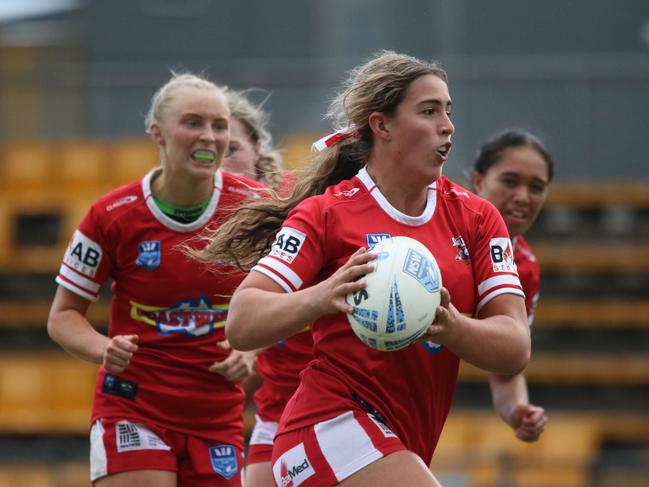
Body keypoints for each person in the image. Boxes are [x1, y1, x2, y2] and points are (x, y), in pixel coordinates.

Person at [191, 50, 531, 487]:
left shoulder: (477, 218)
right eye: (428, 112)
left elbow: (515, 346)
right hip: (324, 425)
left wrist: (448, 325)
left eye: (448, 111)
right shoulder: (327, 214)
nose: (447, 126)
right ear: (382, 125)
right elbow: (242, 321)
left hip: (403, 436)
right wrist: (323, 295)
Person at [47, 72, 264, 486]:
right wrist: (103, 347)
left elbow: (291, 295)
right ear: (158, 133)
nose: (209, 136)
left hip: (216, 418)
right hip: (133, 408)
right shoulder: (111, 216)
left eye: (219, 126)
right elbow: (62, 316)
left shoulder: (253, 210)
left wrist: (253, 351)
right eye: (193, 123)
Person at [221, 87, 313, 487]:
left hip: (329, 404)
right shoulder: (180, 228)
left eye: (231, 148)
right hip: (274, 410)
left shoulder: (300, 206)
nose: (217, 161)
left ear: (257, 148)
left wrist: (250, 347)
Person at [471, 129, 553, 442]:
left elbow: (506, 368)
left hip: (420, 403)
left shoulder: (525, 268)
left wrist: (517, 408)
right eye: (509, 181)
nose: (522, 196)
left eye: (536, 187)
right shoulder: (436, 224)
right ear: (479, 181)